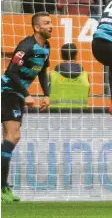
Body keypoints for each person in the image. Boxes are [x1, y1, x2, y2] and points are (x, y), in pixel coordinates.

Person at [1, 12, 52, 202]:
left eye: (51, 23)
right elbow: (12, 72)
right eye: (46, 23)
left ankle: (3, 187)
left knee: (10, 137)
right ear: (36, 27)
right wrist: (27, 94)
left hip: (16, 93)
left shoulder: (46, 47)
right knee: (13, 136)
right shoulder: (26, 46)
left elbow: (42, 72)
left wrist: (46, 94)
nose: (51, 26)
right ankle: (2, 186)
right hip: (7, 91)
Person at [49, 43, 90, 108]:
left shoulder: (52, 75)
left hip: (56, 114)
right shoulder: (85, 75)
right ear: (76, 55)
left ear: (61, 56)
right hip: (81, 114)